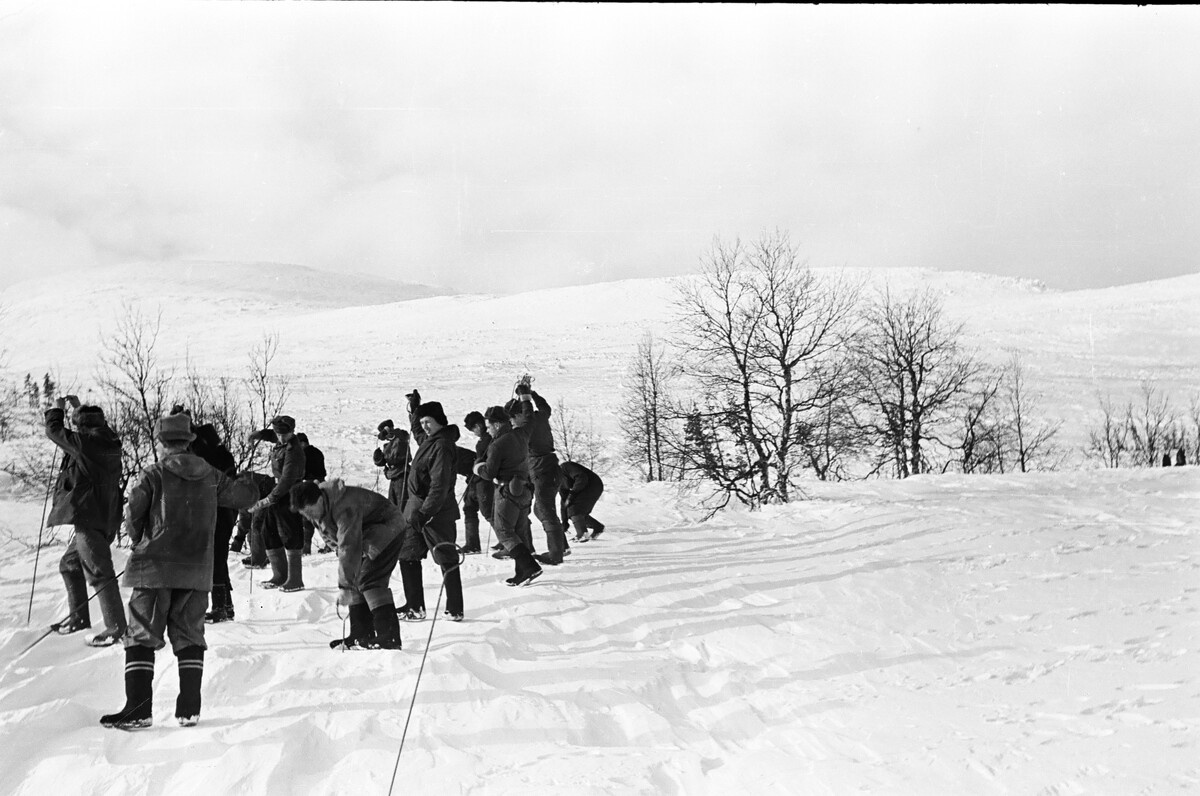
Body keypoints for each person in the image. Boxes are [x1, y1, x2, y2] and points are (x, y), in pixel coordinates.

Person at [100, 413, 257, 729]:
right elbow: (245, 497)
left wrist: (140, 538)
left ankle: (139, 709)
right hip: (197, 570)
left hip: (154, 569)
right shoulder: (211, 474)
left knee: (142, 633)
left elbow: (132, 514)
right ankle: (189, 708)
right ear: (190, 440)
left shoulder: (153, 474)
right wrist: (250, 480)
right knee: (190, 634)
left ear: (161, 440)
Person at [45, 394, 128, 647]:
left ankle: (115, 628)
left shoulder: (85, 444)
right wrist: (79, 408)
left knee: (99, 571)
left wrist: (56, 411)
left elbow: (54, 431)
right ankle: (79, 618)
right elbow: (92, 427)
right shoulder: (110, 440)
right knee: (70, 564)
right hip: (105, 516)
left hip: (89, 518)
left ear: (82, 427)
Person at [290, 479, 404, 650]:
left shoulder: (344, 506)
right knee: (356, 577)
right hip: (365, 533)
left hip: (388, 528)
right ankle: (361, 635)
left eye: (308, 511)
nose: (307, 516)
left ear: (320, 500)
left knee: (370, 578)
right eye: (303, 513)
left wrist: (345, 585)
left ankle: (390, 637)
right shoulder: (316, 509)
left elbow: (348, 546)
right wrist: (348, 572)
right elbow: (333, 539)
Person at [395, 391, 465, 622]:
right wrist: (415, 409)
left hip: (436, 511)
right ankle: (415, 607)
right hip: (416, 510)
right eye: (423, 422)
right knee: (407, 554)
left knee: (446, 557)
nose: (424, 426)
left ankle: (455, 608)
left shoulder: (442, 446)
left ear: (440, 422)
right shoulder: (429, 441)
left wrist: (425, 513)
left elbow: (440, 485)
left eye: (429, 422)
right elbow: (416, 431)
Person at [474, 404, 542, 587]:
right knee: (520, 531)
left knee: (504, 531)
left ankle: (529, 566)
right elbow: (529, 419)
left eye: (488, 426)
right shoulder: (521, 434)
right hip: (525, 490)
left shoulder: (497, 444)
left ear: (496, 424)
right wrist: (526, 397)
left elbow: (488, 474)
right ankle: (522, 573)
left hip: (506, 492)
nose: (487, 430)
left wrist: (477, 467)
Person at [513, 382, 570, 566]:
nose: (512, 422)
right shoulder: (541, 416)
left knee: (545, 510)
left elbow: (528, 413)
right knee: (541, 509)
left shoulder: (526, 425)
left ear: (521, 414)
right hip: (551, 466)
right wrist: (532, 393)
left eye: (514, 417)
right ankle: (562, 546)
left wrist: (525, 398)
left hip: (541, 469)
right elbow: (545, 406)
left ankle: (556, 554)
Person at [249, 416, 306, 592]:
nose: (280, 437)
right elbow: (272, 435)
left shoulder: (293, 450)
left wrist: (268, 500)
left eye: (284, 434)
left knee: (291, 533)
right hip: (278, 493)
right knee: (268, 531)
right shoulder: (282, 440)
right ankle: (279, 575)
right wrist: (257, 434)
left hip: (290, 493)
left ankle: (295, 579)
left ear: (292, 432)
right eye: (278, 434)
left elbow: (287, 480)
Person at [457, 411, 493, 555]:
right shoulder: (486, 439)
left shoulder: (487, 440)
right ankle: (472, 544)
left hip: (483, 481)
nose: (473, 432)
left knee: (488, 511)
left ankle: (508, 542)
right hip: (475, 479)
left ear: (478, 425)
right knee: (469, 508)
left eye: (473, 429)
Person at [295, 433, 328, 555]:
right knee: (323, 517)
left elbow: (302, 473)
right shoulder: (318, 452)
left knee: (307, 520)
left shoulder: (302, 454)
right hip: (322, 485)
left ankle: (305, 549)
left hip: (309, 486)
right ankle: (329, 544)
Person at [233, 472, 275, 569]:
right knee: (254, 526)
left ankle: (258, 559)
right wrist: (239, 539)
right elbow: (245, 517)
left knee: (257, 525)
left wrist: (239, 539)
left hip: (268, 492)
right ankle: (260, 555)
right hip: (262, 492)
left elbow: (245, 517)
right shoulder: (236, 488)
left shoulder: (240, 487)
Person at [558, 460, 607, 542]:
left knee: (574, 509)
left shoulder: (566, 467)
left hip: (593, 484)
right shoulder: (559, 483)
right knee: (573, 511)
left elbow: (582, 477)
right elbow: (565, 503)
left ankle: (582, 534)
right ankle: (598, 527)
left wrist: (572, 493)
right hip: (582, 488)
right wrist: (565, 521)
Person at [372, 419, 411, 507]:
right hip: (393, 477)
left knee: (402, 506)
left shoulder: (400, 439)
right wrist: (378, 459)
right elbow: (386, 461)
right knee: (392, 506)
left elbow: (400, 434)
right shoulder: (389, 446)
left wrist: (388, 431)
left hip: (403, 476)